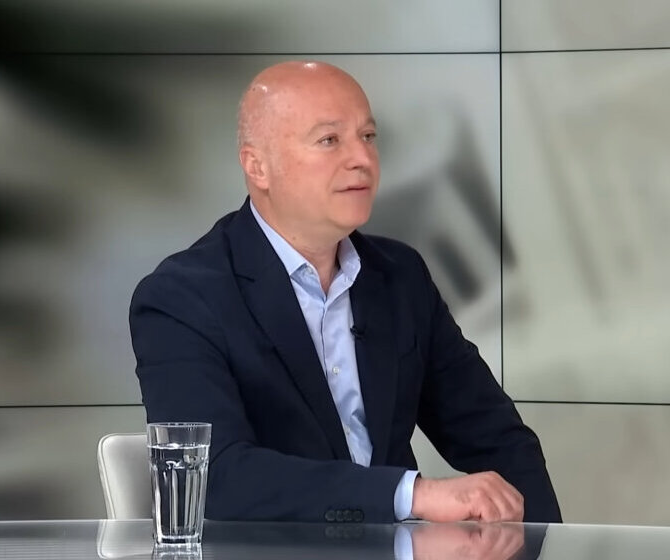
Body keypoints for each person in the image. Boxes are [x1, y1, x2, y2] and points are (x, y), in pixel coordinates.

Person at [129, 61, 561, 524]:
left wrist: (548, 546)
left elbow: (495, 438)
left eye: (368, 136)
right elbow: (215, 477)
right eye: (330, 140)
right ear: (258, 166)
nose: (362, 158)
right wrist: (409, 495)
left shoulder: (400, 276)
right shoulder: (182, 298)